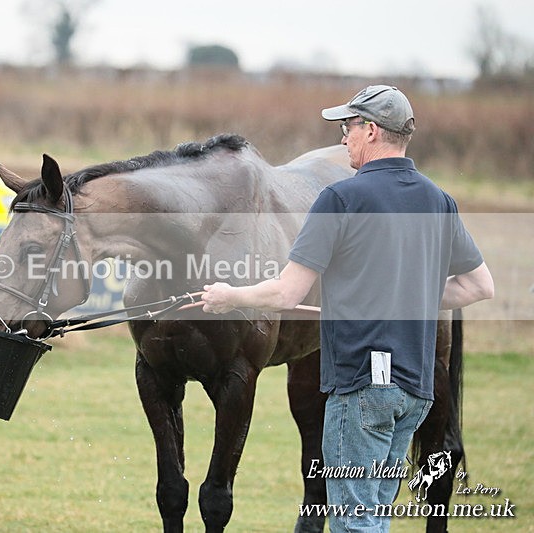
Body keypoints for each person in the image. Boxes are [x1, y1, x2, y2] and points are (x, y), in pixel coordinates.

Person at [202, 85, 494, 532]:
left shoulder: (341, 200)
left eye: (348, 128)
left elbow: (286, 294)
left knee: (353, 521)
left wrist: (230, 296)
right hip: (414, 389)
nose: (343, 139)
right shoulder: (438, 200)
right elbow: (479, 286)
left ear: (372, 131)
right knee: (374, 513)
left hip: (362, 387)